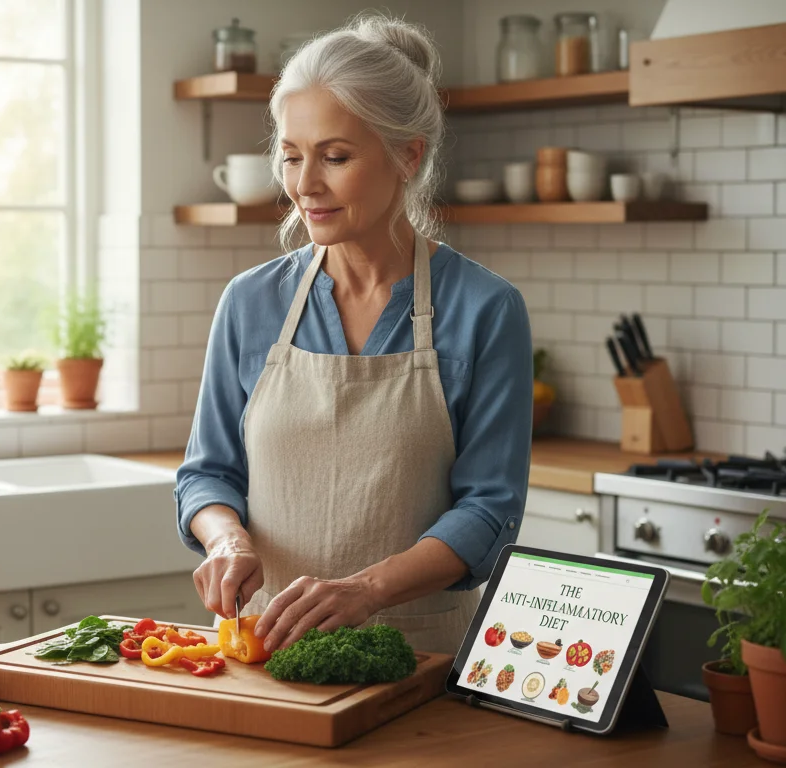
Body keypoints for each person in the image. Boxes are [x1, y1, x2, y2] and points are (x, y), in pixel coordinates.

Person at [174, 13, 533, 656]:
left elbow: (488, 511)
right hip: (262, 651)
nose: (304, 186)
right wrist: (226, 539)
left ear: (408, 155)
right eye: (290, 157)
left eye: (335, 158)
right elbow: (207, 476)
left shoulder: (486, 309)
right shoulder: (250, 303)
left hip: (419, 658)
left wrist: (367, 590)